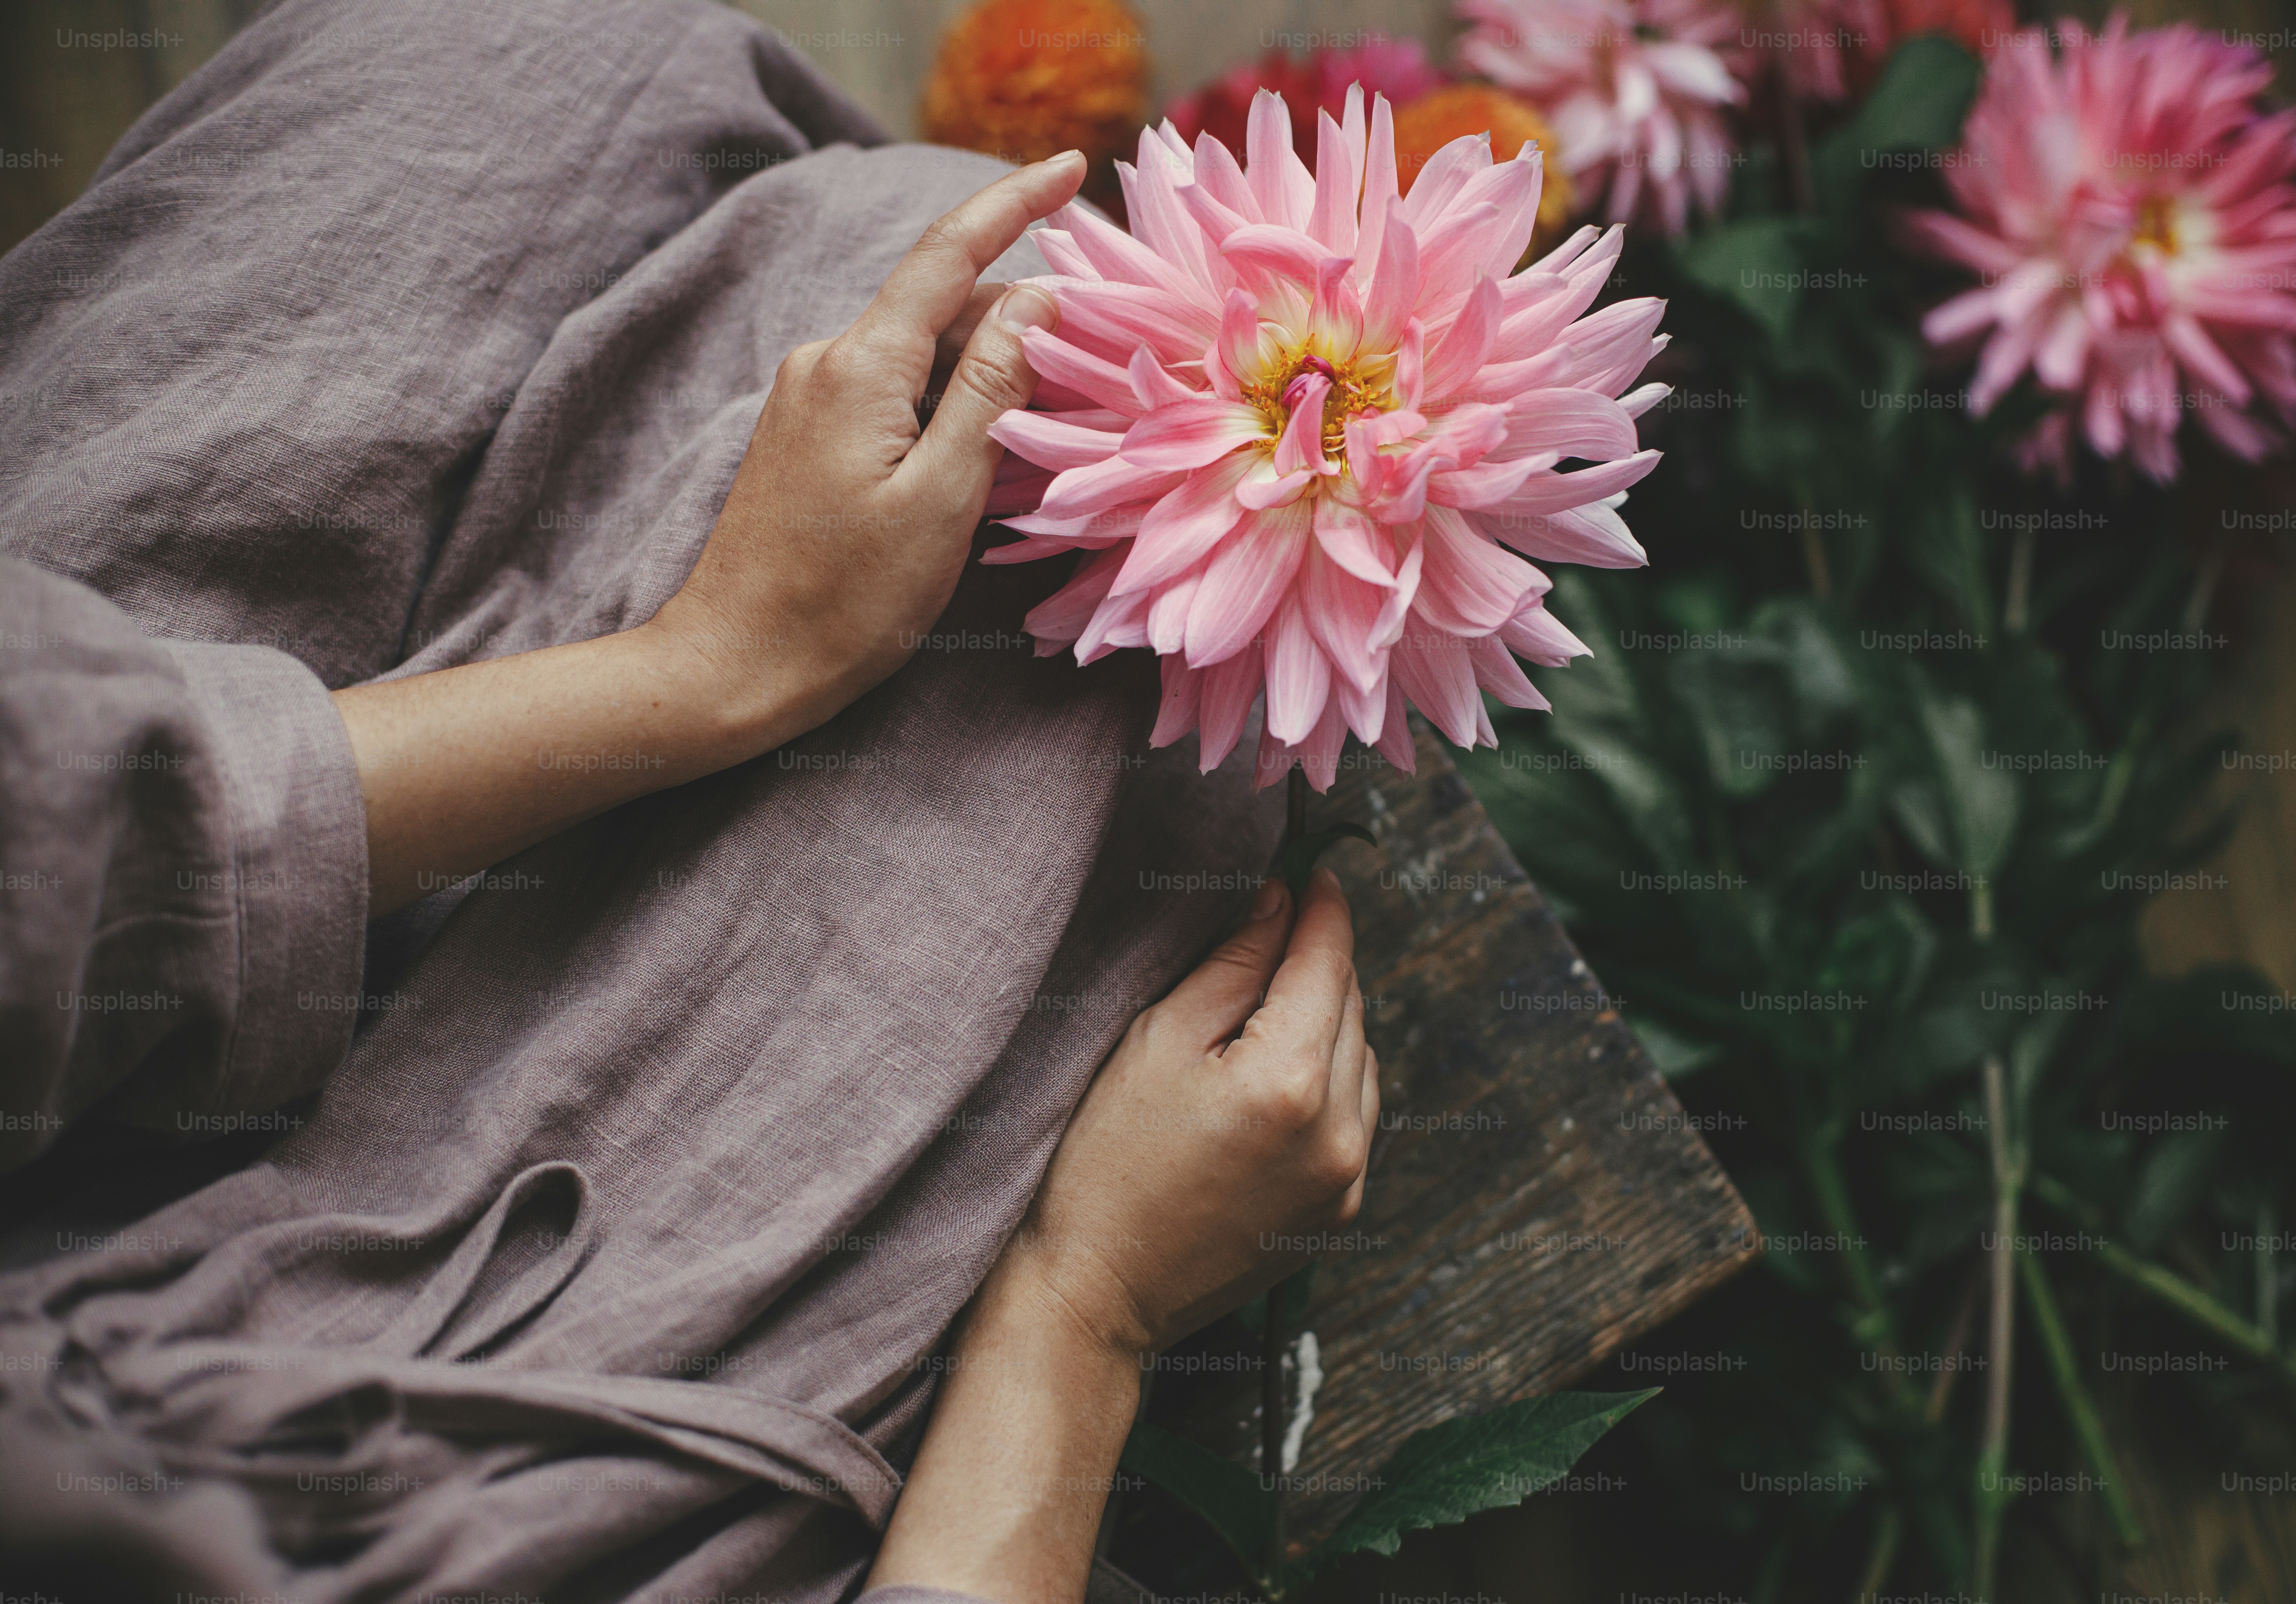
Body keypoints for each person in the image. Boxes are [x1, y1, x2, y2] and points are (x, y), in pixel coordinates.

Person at [0, 3, 1374, 1600]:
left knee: (532, 54)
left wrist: (707, 671)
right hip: (439, 1489)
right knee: (1123, 613)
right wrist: (1085, 1311)